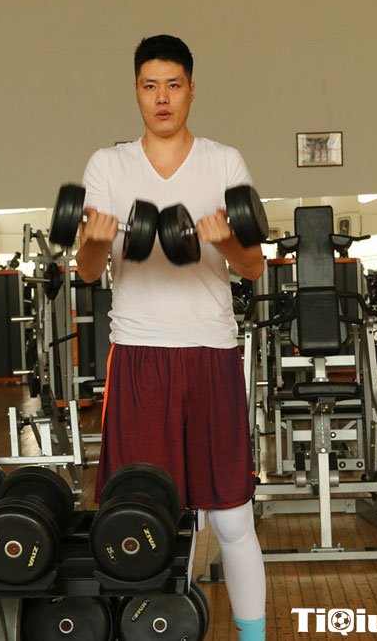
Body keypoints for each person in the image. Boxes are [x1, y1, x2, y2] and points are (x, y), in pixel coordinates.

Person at [75, 34, 266, 641]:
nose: (162, 98)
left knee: (232, 517)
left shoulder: (223, 162)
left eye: (173, 85)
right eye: (150, 85)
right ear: (136, 91)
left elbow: (254, 266)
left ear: (191, 90)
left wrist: (224, 238)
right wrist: (95, 241)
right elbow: (86, 271)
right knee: (141, 516)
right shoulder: (108, 166)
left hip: (211, 352)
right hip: (139, 355)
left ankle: (253, 635)